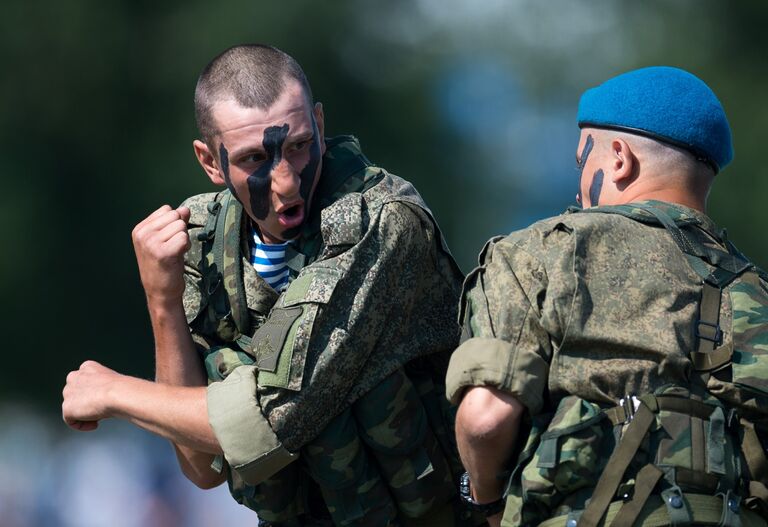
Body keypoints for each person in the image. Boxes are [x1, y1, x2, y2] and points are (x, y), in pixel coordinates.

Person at [63, 44, 478, 526]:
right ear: (210, 162)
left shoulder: (378, 225)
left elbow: (262, 423)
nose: (285, 182)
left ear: (319, 125)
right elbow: (200, 466)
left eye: (299, 145)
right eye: (255, 158)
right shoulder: (203, 240)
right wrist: (162, 302)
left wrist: (113, 392)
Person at [447, 66, 768, 527]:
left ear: (619, 158)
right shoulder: (755, 288)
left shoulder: (542, 254)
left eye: (584, 162)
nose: (579, 185)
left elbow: (485, 420)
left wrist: (488, 503)